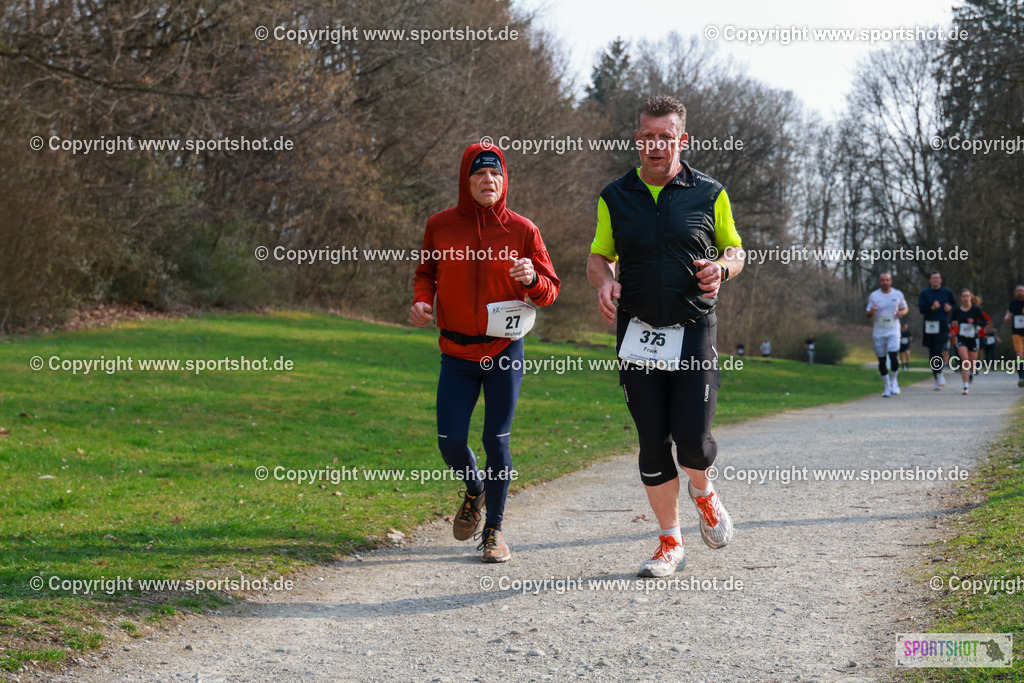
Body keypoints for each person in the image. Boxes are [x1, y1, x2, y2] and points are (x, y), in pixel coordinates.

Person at [587, 95, 744, 577]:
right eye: (648, 136)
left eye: (666, 137)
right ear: (638, 139)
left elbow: (735, 250)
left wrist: (721, 268)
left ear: (682, 140)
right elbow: (598, 256)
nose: (656, 145)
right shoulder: (615, 196)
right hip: (638, 332)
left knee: (692, 441)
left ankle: (704, 491)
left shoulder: (710, 193)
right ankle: (670, 542)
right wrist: (605, 281)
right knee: (653, 442)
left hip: (692, 328)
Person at [411, 143, 560, 562]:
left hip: (504, 351)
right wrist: (422, 301)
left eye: (495, 174)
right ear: (466, 180)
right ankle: (475, 488)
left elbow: (550, 291)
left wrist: (532, 280)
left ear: (504, 180)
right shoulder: (440, 226)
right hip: (456, 353)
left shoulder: (523, 230)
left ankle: (494, 530)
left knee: (496, 440)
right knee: (450, 442)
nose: (488, 181)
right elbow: (425, 273)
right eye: (479, 174)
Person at [866, 273, 909, 397]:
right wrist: (871, 311)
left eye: (887, 280)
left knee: (893, 356)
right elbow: (867, 314)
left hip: (893, 330)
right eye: (882, 280)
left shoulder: (898, 294)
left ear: (891, 281)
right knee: (882, 360)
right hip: (879, 331)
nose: (885, 282)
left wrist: (901, 313)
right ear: (879, 282)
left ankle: (894, 381)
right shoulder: (874, 296)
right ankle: (886, 386)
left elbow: (905, 308)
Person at [918, 272, 956, 390]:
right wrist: (931, 308)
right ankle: (936, 375)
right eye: (933, 278)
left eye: (937, 278)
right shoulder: (925, 293)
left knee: (939, 349)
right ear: (930, 280)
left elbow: (955, 305)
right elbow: (921, 309)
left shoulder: (947, 292)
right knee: (932, 351)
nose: (935, 280)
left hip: (942, 324)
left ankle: (939, 373)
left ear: (941, 280)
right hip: (929, 325)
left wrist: (950, 308)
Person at [951, 288, 985, 395]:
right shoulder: (957, 310)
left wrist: (974, 322)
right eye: (963, 296)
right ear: (961, 298)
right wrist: (953, 325)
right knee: (965, 360)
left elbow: (984, 322)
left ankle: (971, 373)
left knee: (972, 363)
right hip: (962, 338)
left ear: (971, 297)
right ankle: (965, 386)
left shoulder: (976, 310)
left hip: (973, 338)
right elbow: (951, 321)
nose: (965, 298)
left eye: (967, 296)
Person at [1004, 284, 1024, 388]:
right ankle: (1021, 377)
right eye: (1018, 291)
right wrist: (1007, 317)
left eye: (1022, 291)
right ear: (1015, 293)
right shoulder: (1013, 303)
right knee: (1019, 355)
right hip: (1017, 333)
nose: (1020, 293)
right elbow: (1009, 313)